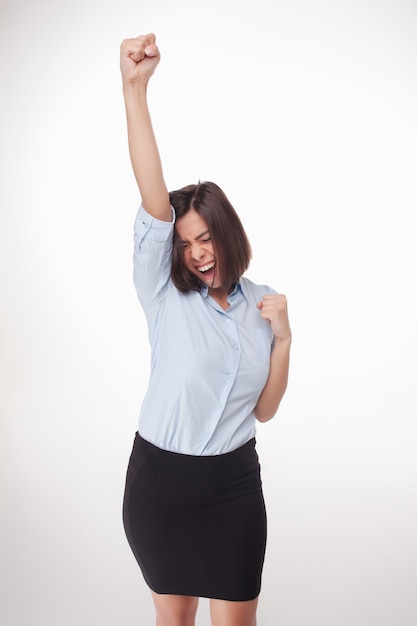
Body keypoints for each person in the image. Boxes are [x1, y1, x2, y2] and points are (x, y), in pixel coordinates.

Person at [120, 33, 292, 626]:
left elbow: (264, 412)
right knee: (175, 620)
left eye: (206, 237)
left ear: (227, 232)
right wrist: (135, 89)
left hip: (233, 487)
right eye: (186, 242)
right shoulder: (165, 294)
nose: (196, 252)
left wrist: (286, 340)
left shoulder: (263, 304)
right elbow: (152, 199)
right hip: (160, 485)